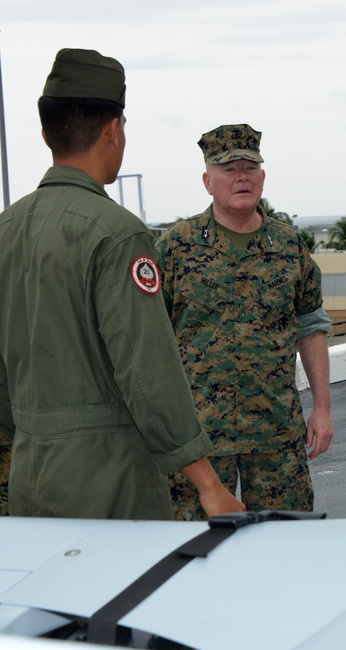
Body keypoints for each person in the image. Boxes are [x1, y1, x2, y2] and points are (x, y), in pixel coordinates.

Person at [0, 49, 243, 519]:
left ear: (47, 132)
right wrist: (209, 486)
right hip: (108, 478)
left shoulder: (7, 228)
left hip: (30, 473)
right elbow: (147, 369)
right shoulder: (116, 231)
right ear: (113, 130)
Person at [155, 124, 333, 520]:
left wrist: (322, 408)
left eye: (250, 168)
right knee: (192, 549)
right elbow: (150, 338)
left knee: (286, 547)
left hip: (275, 433)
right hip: (198, 440)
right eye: (228, 168)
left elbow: (311, 325)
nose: (241, 177)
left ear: (263, 178)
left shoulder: (289, 247)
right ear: (207, 181)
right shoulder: (176, 247)